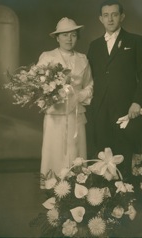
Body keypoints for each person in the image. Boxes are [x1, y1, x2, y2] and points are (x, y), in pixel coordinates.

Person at [87, 0, 142, 182]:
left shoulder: (135, 41)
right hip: (99, 110)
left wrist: (137, 102)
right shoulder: (95, 45)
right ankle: (101, 199)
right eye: (106, 15)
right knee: (101, 156)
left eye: (114, 14)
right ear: (100, 19)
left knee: (123, 154)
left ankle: (124, 199)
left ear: (122, 17)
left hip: (125, 110)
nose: (110, 19)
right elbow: (88, 78)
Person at [37, 17, 93, 188]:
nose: (69, 39)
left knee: (76, 150)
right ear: (57, 37)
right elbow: (38, 85)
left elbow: (90, 85)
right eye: (65, 35)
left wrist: (77, 96)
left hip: (76, 112)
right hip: (56, 113)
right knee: (54, 150)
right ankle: (53, 188)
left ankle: (76, 189)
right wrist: (55, 93)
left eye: (73, 35)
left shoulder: (83, 59)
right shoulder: (48, 57)